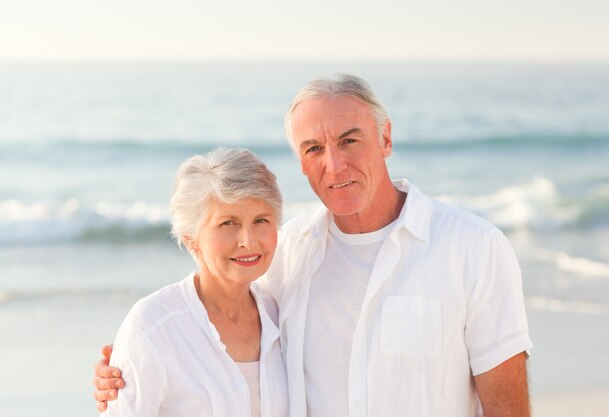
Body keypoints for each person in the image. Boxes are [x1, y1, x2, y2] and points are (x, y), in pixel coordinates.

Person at [95, 74, 533, 416]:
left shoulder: (473, 248)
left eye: (349, 140)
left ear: (385, 138)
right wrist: (129, 367)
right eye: (313, 148)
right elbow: (215, 316)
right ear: (300, 162)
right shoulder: (288, 254)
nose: (334, 164)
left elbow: (507, 408)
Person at [98, 148, 288, 417]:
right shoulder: (153, 326)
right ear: (191, 239)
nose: (248, 240)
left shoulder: (284, 314)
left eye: (261, 220)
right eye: (228, 223)